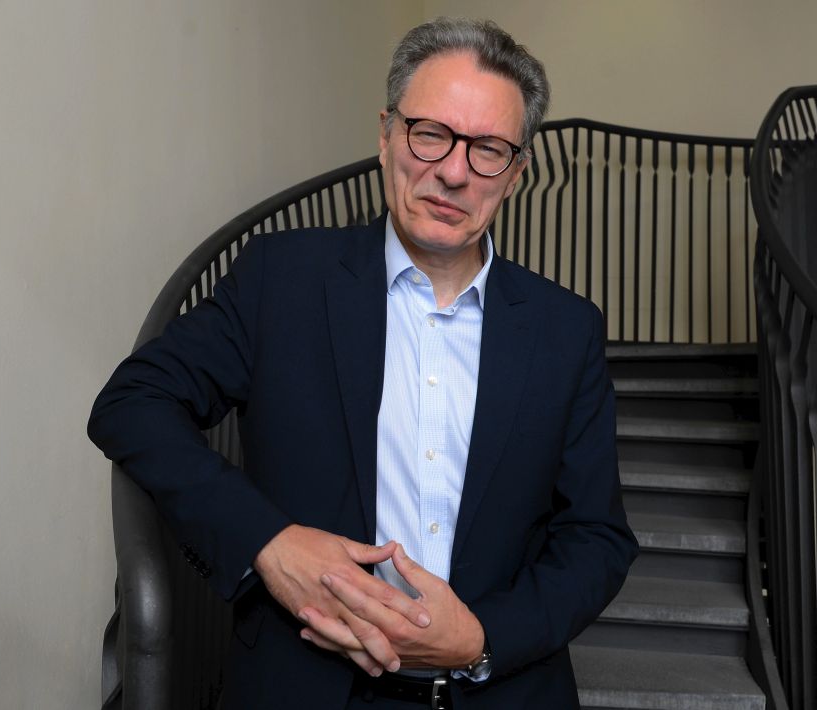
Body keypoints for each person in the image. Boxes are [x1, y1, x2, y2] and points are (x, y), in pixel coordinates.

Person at [89, 17, 637, 710]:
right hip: (304, 688)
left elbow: (597, 538)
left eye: (488, 150)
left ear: (516, 174)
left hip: (497, 689)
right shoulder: (281, 280)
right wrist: (269, 542)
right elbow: (133, 402)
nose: (453, 172)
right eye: (430, 133)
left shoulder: (567, 329)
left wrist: (479, 639)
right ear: (386, 136)